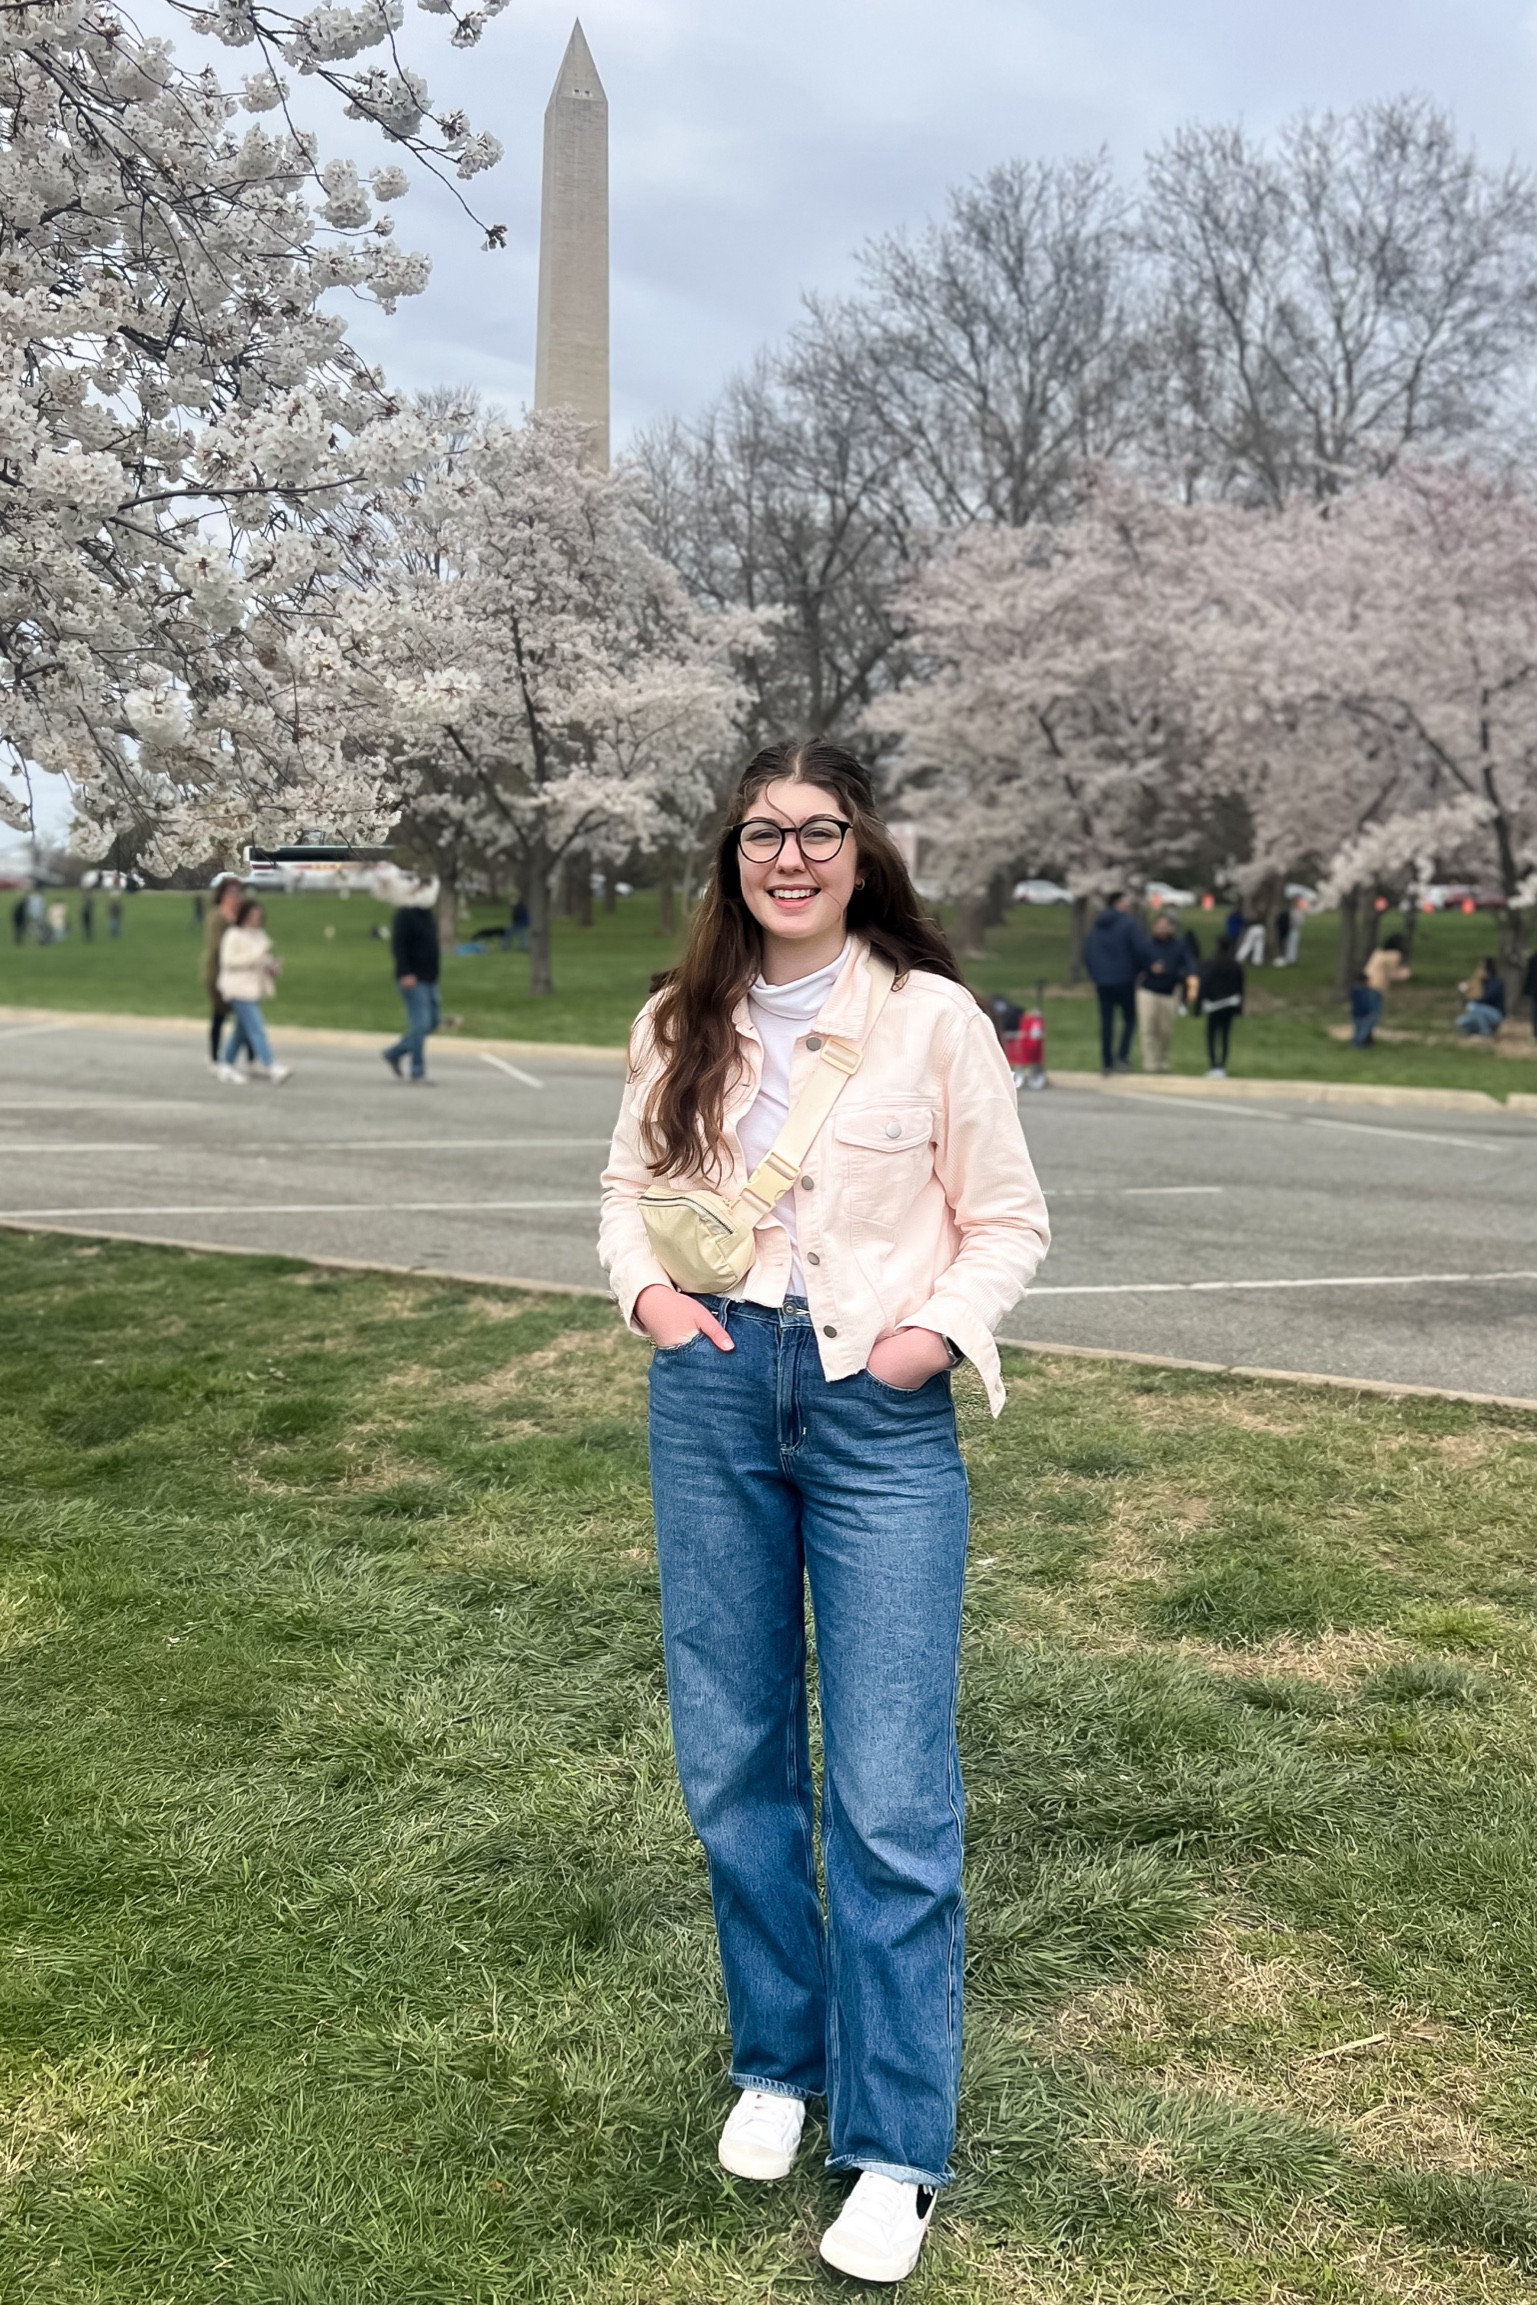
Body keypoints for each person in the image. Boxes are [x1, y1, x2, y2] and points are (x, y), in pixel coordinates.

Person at [599, 739, 1049, 2286]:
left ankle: (896, 2145)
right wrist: (652, 1296)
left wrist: (929, 1337)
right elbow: (622, 1191)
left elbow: (1007, 1219)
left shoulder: (930, 1022)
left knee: (888, 1788)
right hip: (713, 1392)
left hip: (876, 1410)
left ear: (863, 853)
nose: (789, 857)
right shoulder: (682, 1019)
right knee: (733, 1757)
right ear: (730, 856)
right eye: (761, 833)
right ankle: (779, 2065)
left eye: (819, 831)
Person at [216, 898, 291, 1084]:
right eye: (253, 916)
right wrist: (256, 956)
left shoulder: (259, 935)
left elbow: (262, 960)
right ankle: (271, 1065)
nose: (257, 919)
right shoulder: (234, 934)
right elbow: (228, 962)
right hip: (238, 988)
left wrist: (272, 967)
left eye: (259, 916)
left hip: (253, 988)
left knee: (241, 1031)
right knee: (257, 1028)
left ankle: (226, 1064)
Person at [382, 876, 441, 1083]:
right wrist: (405, 972)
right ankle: (417, 1071)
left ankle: (395, 1052)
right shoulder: (405, 914)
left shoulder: (428, 915)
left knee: (433, 1022)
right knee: (420, 1024)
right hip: (412, 978)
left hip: (429, 977)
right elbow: (398, 946)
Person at [1084, 892, 1145, 1075]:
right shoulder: (1129, 924)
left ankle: (1107, 1062)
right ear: (1118, 903)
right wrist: (1138, 971)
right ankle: (1122, 1055)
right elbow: (1139, 949)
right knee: (1129, 1019)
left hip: (1103, 981)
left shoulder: (1097, 925)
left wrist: (1096, 974)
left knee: (1107, 1022)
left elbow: (1088, 952)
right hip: (1124, 978)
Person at [1135, 912, 1194, 1074]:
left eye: (1164, 926)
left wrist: (1171, 971)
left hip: (1169, 991)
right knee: (1147, 1027)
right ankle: (1149, 1063)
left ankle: (1162, 1060)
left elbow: (1188, 966)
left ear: (1171, 928)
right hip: (1148, 990)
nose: (1161, 929)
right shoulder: (1146, 945)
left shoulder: (1179, 946)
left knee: (1165, 1030)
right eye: (1158, 926)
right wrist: (1148, 970)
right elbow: (1137, 964)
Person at [202, 875, 246, 1072]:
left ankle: (249, 1058)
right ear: (222, 894)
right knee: (220, 1015)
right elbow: (217, 946)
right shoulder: (217, 916)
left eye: (238, 893)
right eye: (231, 893)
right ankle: (214, 1057)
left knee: (246, 1016)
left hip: (239, 974)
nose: (236, 897)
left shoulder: (240, 917)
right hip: (218, 972)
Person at [1352, 934, 1410, 1048]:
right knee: (1372, 1015)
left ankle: (1360, 1040)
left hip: (1361, 984)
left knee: (1361, 1015)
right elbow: (1393, 974)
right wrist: (1405, 974)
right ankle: (1361, 1041)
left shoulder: (1378, 952)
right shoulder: (1394, 955)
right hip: (1375, 987)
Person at [1199, 936, 1245, 1076]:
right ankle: (1222, 1066)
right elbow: (1240, 987)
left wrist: (1201, 1003)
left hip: (1213, 1005)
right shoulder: (1236, 966)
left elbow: (1205, 984)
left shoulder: (1211, 964)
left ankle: (1213, 1065)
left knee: (1212, 1036)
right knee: (1225, 1036)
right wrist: (1239, 1008)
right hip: (1229, 1006)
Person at [1454, 958, 1506, 1038]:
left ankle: (1485, 1033)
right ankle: (1475, 1032)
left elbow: (1486, 997)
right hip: (1480, 1012)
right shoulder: (1480, 983)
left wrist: (1470, 1000)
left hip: (1495, 1014)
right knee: (1460, 1021)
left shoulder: (1497, 983)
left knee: (1473, 1007)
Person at [1523, 950, 1537, 1037]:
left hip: (1535, 989)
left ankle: (1534, 1030)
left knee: (1535, 1010)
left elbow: (1530, 974)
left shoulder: (1533, 958)